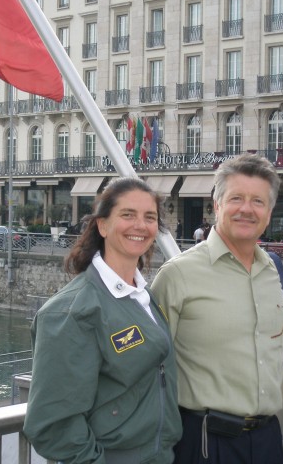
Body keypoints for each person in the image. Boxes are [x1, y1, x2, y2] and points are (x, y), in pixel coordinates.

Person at [23, 177, 182, 464]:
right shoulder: (71, 312)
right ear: (103, 225)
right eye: (127, 215)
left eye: (150, 217)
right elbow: (53, 425)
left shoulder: (143, 295)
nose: (140, 225)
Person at [151, 154, 283, 464]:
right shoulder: (178, 274)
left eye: (257, 201)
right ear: (216, 205)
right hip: (205, 444)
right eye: (236, 198)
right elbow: (150, 368)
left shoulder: (272, 271)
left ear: (269, 212)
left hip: (268, 442)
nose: (246, 209)